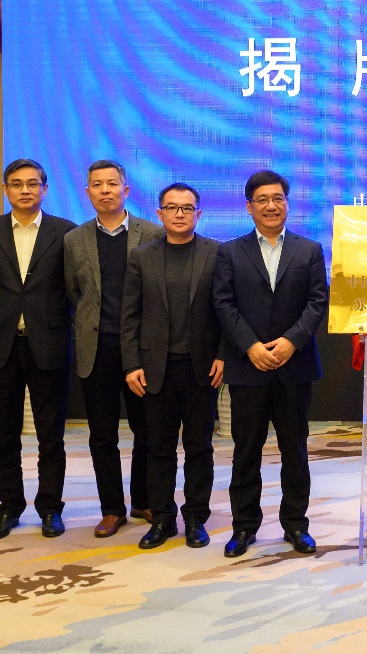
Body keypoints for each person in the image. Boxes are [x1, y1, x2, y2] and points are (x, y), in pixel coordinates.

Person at [214, 170, 329, 559]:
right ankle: (244, 527)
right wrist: (250, 346)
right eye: (262, 199)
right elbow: (223, 304)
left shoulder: (309, 249)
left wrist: (292, 341)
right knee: (246, 451)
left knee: (294, 450)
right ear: (249, 207)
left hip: (294, 367)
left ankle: (296, 525)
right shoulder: (230, 252)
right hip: (248, 368)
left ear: (287, 204)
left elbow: (317, 301)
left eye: (278, 198)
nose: (271, 206)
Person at [0, 159, 76, 539]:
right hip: (0, 346)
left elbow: (70, 289)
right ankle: (8, 507)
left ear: (45, 189)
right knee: (5, 437)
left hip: (48, 344)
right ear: (5, 190)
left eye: (33, 183)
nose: (25, 190)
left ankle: (50, 508)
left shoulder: (66, 231)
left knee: (51, 436)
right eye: (17, 184)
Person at [122, 183, 226, 549]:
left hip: (202, 368)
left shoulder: (216, 253)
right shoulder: (141, 256)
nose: (179, 214)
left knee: (199, 447)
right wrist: (131, 363)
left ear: (199, 214)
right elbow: (130, 315)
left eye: (187, 208)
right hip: (155, 368)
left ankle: (196, 517)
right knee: (159, 448)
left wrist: (224, 354)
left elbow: (227, 310)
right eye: (172, 207)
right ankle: (163, 519)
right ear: (160, 213)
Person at [65, 160, 164, 538]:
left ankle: (143, 499)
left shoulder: (152, 233)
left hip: (141, 350)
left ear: (126, 189)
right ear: (87, 192)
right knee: (102, 435)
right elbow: (75, 293)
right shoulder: (74, 240)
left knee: (147, 431)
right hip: (98, 349)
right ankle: (111, 509)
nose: (105, 190)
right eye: (97, 184)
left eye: (112, 183)